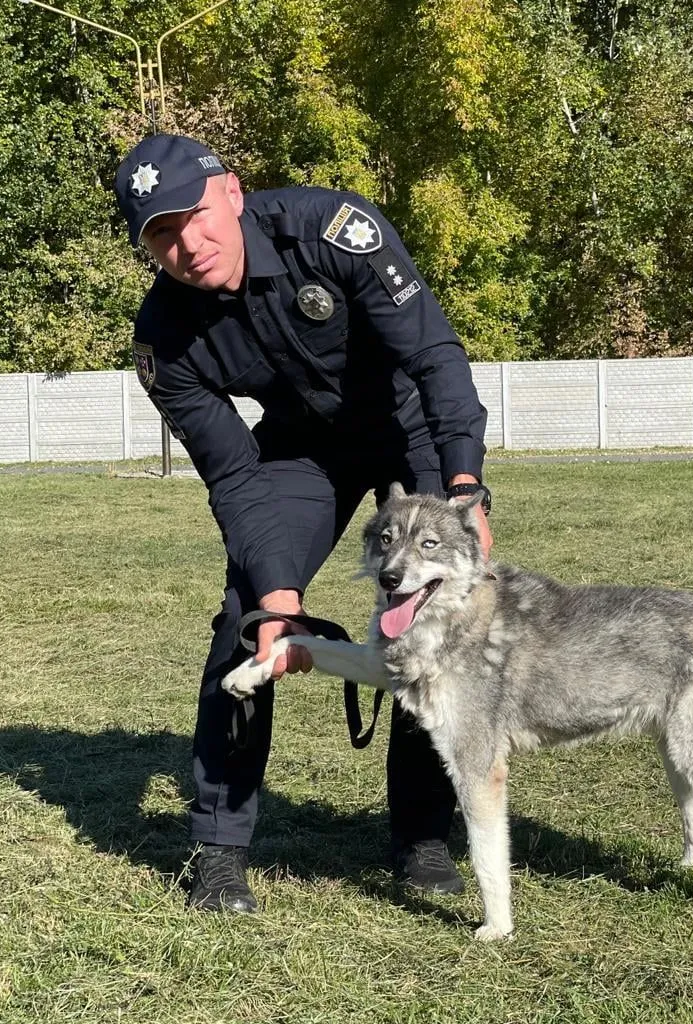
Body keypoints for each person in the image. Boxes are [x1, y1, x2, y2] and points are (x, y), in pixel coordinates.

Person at [113, 134, 493, 913]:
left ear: (232, 192)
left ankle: (420, 834)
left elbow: (433, 356)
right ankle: (219, 852)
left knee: (436, 620)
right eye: (160, 235)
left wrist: (464, 491)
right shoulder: (162, 342)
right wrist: (278, 598)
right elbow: (233, 476)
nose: (186, 244)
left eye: (191, 216)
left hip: (409, 428)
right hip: (298, 452)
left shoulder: (330, 228)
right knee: (244, 616)